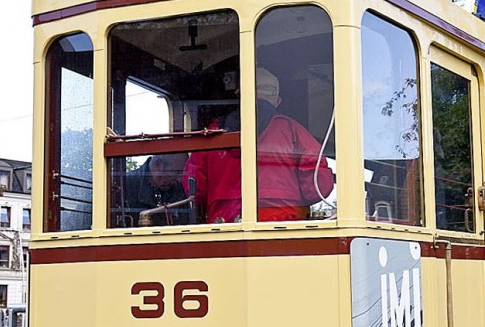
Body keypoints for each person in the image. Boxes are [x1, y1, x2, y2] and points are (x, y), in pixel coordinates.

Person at [184, 67, 334, 223]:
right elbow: (317, 186)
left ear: (239, 94)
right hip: (283, 223)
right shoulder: (291, 129)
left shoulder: (212, 133)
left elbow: (194, 186)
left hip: (223, 222)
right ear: (277, 101)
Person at [122, 153, 188, 225]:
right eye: (176, 172)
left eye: (182, 173)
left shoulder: (179, 189)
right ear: (158, 165)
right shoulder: (125, 186)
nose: (179, 179)